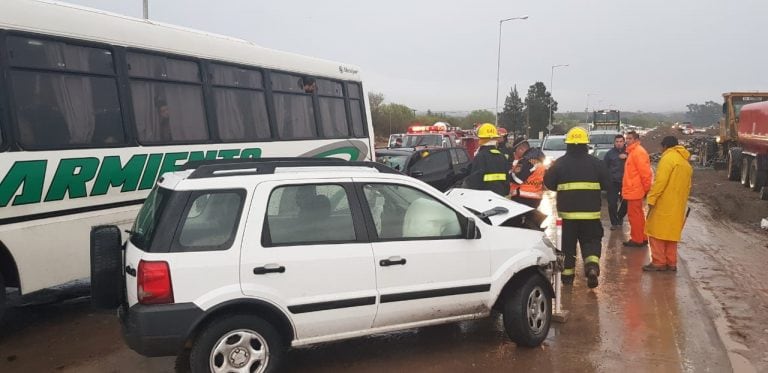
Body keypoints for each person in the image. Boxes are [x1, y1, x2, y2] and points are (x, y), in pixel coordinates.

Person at [543, 127, 610, 288]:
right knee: (591, 242)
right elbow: (607, 184)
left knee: (567, 247)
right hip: (591, 215)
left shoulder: (559, 164)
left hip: (567, 216)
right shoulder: (597, 164)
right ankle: (592, 266)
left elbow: (549, 183)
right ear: (586, 144)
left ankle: (567, 279)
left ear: (568, 145)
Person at [642, 136, 693, 272]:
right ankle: (671, 263)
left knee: (655, 232)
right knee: (671, 235)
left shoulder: (667, 159)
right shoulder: (685, 162)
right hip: (678, 205)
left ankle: (658, 262)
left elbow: (660, 182)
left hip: (664, 203)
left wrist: (651, 199)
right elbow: (688, 187)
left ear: (665, 146)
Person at [622, 130, 653, 247]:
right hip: (633, 190)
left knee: (634, 216)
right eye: (627, 138)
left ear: (636, 139)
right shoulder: (634, 152)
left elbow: (645, 174)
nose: (627, 140)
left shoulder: (638, 152)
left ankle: (637, 239)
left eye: (630, 138)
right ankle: (642, 237)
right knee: (638, 215)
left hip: (635, 190)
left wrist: (646, 189)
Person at [509, 137, 547, 230]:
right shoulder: (538, 158)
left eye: (515, 151)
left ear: (521, 149)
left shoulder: (526, 160)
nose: (515, 154)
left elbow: (517, 179)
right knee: (529, 220)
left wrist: (510, 173)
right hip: (535, 197)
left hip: (522, 197)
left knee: (520, 224)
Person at [463, 123, 509, 197]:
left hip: (484, 200)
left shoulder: (480, 157)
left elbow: (474, 182)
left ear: (481, 140)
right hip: (500, 198)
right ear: (495, 139)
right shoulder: (502, 157)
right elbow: (507, 185)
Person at [604, 134, 628, 230]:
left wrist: (627, 157)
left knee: (626, 202)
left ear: (624, 142)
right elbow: (604, 167)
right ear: (614, 143)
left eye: (621, 141)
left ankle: (620, 217)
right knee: (612, 203)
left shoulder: (629, 152)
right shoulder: (609, 154)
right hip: (613, 182)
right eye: (617, 142)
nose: (619, 143)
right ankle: (614, 223)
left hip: (626, 181)